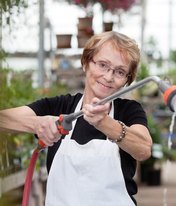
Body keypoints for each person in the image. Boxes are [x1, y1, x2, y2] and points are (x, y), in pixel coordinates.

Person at [0, 31, 153, 206]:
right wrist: (36, 123)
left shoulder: (128, 111)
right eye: (102, 65)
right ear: (86, 63)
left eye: (119, 72)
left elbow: (143, 149)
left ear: (127, 80)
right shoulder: (59, 107)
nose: (108, 77)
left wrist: (105, 123)